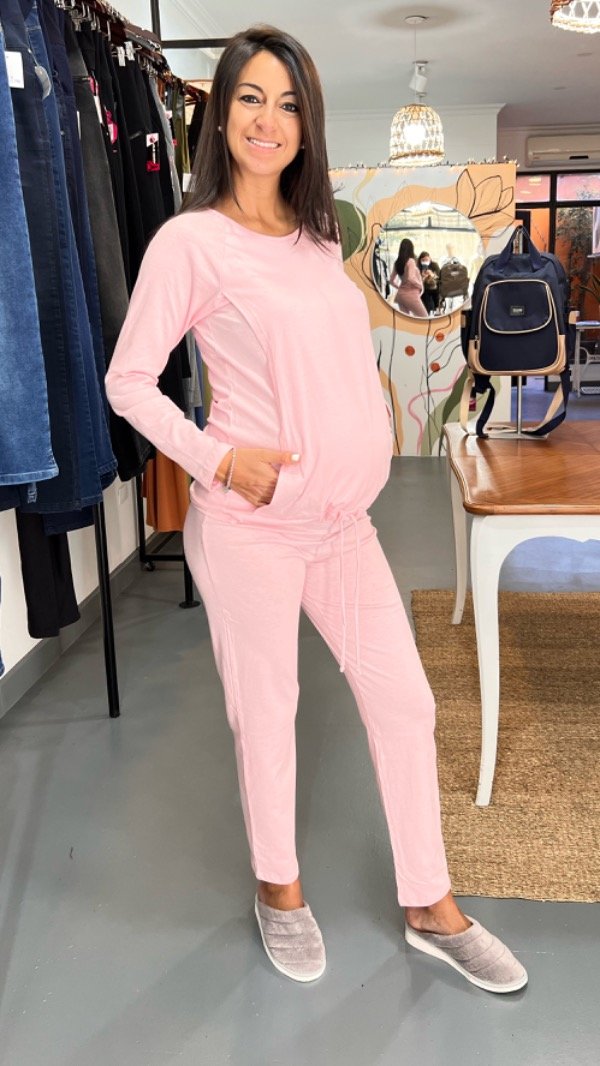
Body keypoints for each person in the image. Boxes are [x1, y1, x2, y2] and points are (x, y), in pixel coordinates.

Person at [105, 24, 527, 995]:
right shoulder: (190, 242)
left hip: (343, 525)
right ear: (222, 114)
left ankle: (429, 902)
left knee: (405, 702)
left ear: (308, 124)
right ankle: (280, 888)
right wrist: (219, 458)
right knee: (270, 712)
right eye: (251, 98)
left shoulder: (316, 237)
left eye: (289, 103)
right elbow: (128, 380)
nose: (270, 119)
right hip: (251, 526)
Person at [390, 239, 428, 318]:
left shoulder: (397, 263)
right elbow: (410, 278)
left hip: (400, 296)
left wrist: (399, 288)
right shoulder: (410, 261)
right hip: (411, 295)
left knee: (406, 321)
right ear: (411, 249)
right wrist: (420, 285)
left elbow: (391, 281)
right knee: (425, 318)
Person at [417, 250, 441, 315]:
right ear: (420, 260)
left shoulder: (434, 265)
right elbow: (417, 281)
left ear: (430, 259)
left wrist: (432, 274)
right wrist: (423, 277)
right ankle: (429, 311)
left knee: (436, 292)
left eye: (426, 259)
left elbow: (439, 277)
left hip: (435, 287)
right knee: (427, 298)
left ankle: (436, 309)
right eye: (423, 260)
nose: (425, 261)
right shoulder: (418, 267)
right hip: (424, 288)